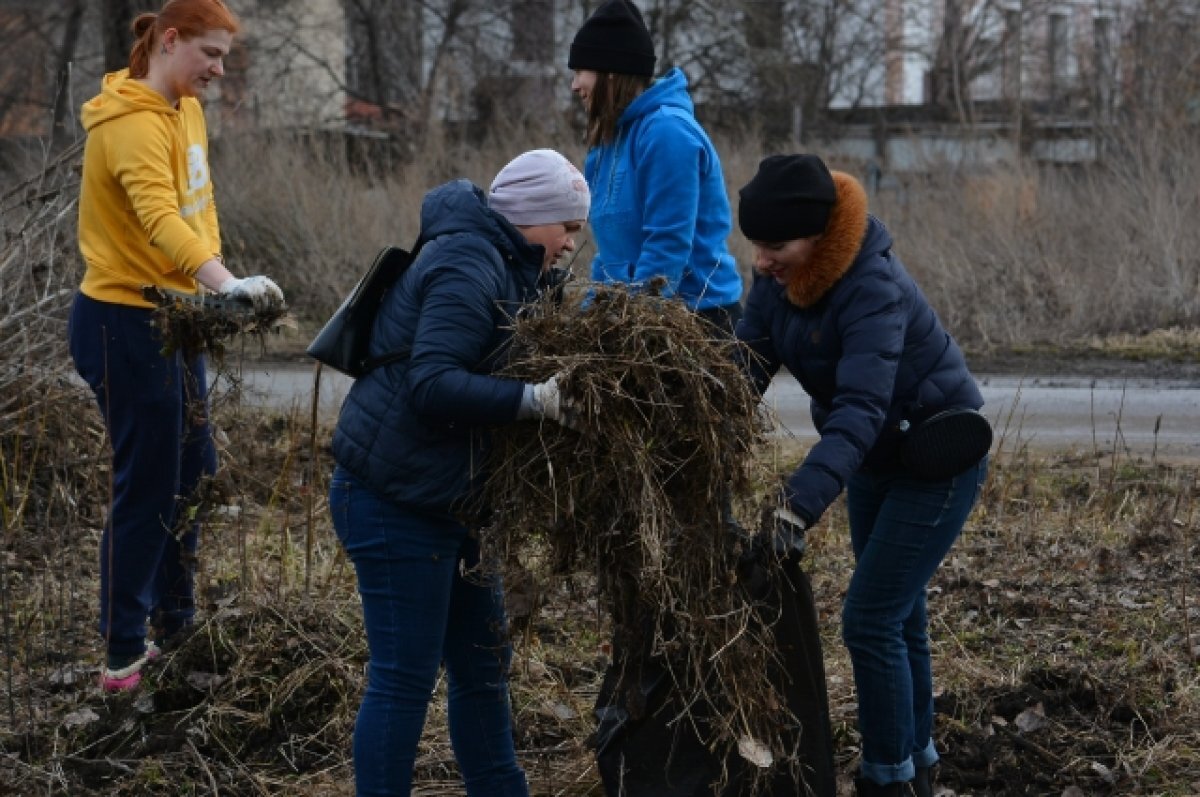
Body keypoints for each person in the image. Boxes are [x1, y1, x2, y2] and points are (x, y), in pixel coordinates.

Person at [328, 149, 589, 797]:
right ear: (532, 218)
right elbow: (433, 385)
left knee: (482, 666)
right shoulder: (468, 262)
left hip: (454, 501)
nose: (573, 242)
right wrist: (535, 402)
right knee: (403, 676)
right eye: (569, 227)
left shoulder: (513, 267)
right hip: (393, 497)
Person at [735, 154, 991, 797]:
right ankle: (917, 763)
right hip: (875, 456)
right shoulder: (775, 279)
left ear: (819, 237)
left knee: (869, 620)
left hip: (936, 455)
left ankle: (887, 780)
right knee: (899, 617)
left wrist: (797, 504)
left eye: (774, 245)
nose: (762, 260)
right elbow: (743, 367)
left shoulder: (871, 285)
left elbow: (860, 408)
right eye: (755, 246)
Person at [69, 0, 284, 694]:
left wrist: (218, 279)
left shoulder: (185, 110)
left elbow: (199, 207)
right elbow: (160, 216)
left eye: (225, 56)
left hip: (176, 316)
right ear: (169, 40)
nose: (220, 70)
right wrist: (227, 285)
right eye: (210, 54)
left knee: (195, 469)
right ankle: (122, 657)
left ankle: (176, 621)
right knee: (149, 483)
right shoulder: (129, 124)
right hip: (122, 322)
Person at [568, 0, 744, 335]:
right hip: (639, 319)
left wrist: (632, 328)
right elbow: (610, 258)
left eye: (580, 72)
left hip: (694, 322)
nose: (575, 85)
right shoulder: (604, 148)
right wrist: (586, 325)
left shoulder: (667, 133)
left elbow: (667, 243)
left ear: (610, 70)